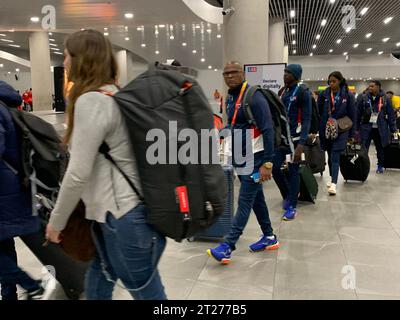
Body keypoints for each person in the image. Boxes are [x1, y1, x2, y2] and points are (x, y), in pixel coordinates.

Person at [45, 30, 167, 300]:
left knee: (147, 292)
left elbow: (78, 173)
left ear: (81, 59)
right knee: (100, 278)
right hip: (117, 214)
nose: (63, 62)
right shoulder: (114, 94)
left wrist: (57, 222)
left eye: (66, 56)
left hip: (121, 216)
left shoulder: (92, 101)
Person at [207, 61, 279, 265]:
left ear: (243, 73)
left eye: (234, 72)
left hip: (256, 158)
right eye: (226, 73)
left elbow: (268, 130)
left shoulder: (254, 96)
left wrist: (267, 164)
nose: (229, 76)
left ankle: (227, 246)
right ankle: (270, 237)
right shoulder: (230, 97)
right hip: (241, 156)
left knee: (245, 200)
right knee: (257, 199)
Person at [0, 81, 51, 300]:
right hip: (11, 188)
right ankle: (9, 294)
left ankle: (30, 284)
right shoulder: (7, 107)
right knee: (3, 245)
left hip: (3, 191)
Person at [273, 64, 312, 221]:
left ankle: (292, 206)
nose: (285, 75)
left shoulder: (303, 92)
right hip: (281, 139)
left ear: (296, 75)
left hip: (295, 141)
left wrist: (301, 144)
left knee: (293, 170)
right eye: (284, 72)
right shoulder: (282, 92)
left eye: (288, 73)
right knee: (274, 168)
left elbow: (307, 118)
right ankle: (289, 193)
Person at [319, 72, 356, 195]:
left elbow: (352, 115)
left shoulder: (348, 95)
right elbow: (319, 111)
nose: (331, 83)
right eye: (329, 81)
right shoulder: (324, 94)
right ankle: (331, 177)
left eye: (334, 81)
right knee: (329, 154)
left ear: (340, 81)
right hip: (327, 128)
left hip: (342, 129)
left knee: (335, 154)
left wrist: (351, 134)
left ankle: (334, 183)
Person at [356, 80, 397, 174]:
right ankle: (363, 166)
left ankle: (380, 165)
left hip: (380, 128)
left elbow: (391, 115)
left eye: (372, 86)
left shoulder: (386, 98)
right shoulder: (364, 97)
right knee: (363, 148)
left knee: (380, 148)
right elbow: (358, 114)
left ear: (378, 87)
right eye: (369, 86)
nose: (370, 88)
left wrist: (393, 129)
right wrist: (356, 128)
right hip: (366, 128)